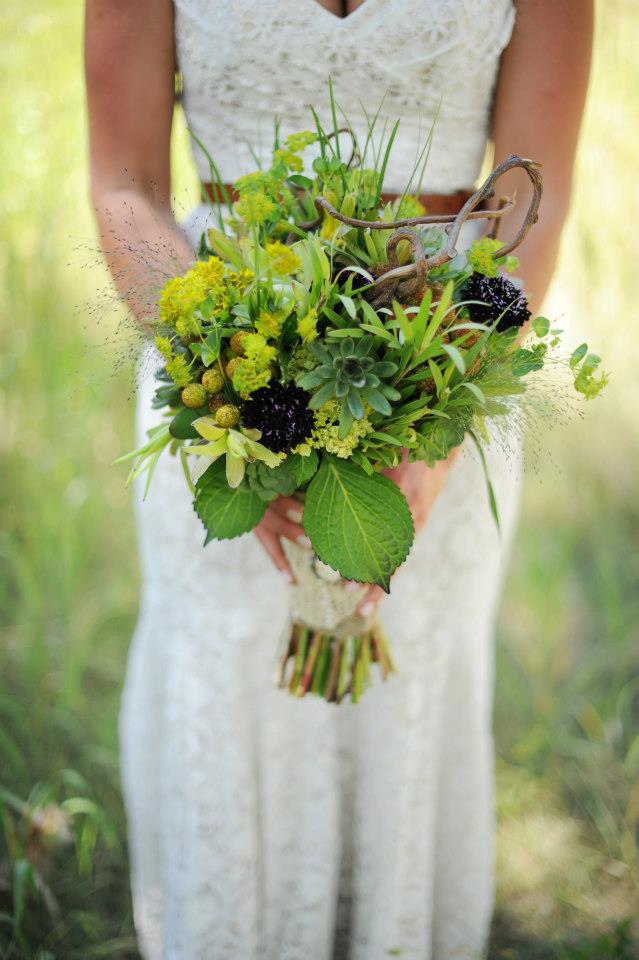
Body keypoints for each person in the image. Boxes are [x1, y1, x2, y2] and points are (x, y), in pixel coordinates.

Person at [85, 1, 592, 957]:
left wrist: (441, 423)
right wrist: (219, 386)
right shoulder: (220, 385)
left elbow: (541, 191)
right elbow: (125, 179)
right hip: (224, 363)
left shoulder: (445, 392)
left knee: (409, 687)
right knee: (232, 689)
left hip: (443, 354)